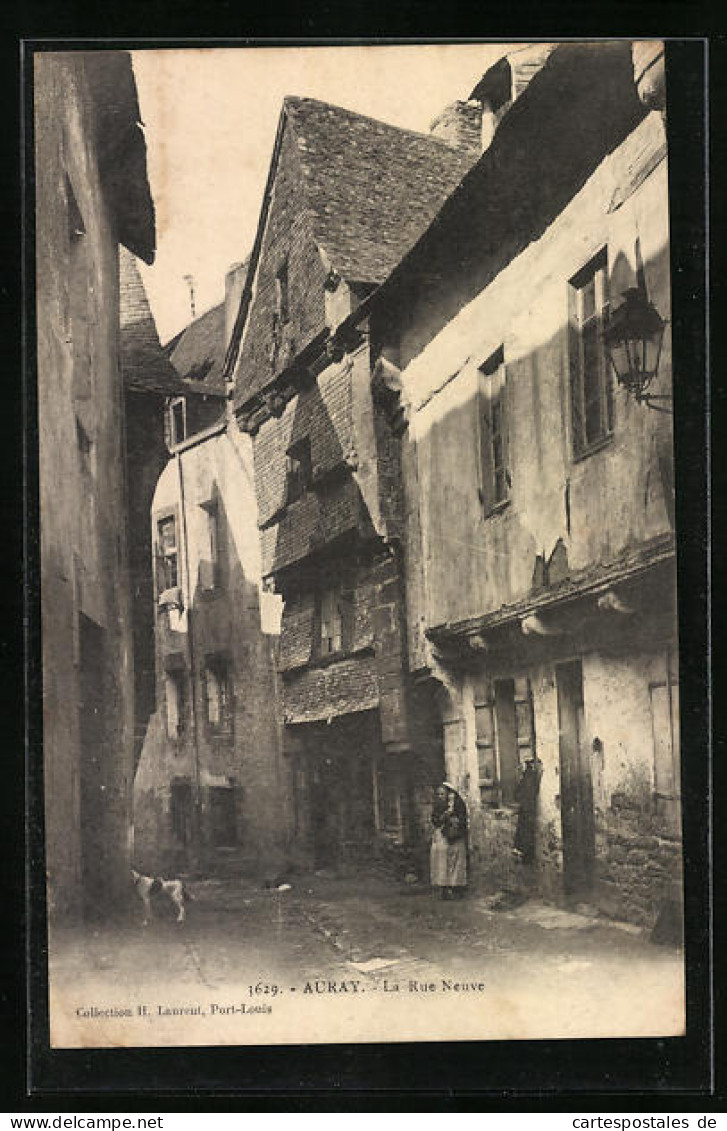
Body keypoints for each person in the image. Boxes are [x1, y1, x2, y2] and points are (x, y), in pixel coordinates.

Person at [430, 782, 468, 899]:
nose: (440, 796)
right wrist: (444, 816)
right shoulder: (438, 807)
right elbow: (435, 821)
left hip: (456, 838)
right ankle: (444, 888)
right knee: (442, 863)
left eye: (443, 794)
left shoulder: (458, 806)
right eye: (439, 794)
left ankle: (456, 888)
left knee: (456, 863)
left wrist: (456, 822)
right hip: (442, 837)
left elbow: (463, 820)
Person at [513, 755, 543, 864]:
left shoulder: (529, 777)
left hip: (527, 810)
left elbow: (521, 794)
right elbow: (517, 794)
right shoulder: (527, 777)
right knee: (524, 832)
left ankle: (525, 855)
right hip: (526, 809)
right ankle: (524, 854)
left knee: (526, 833)